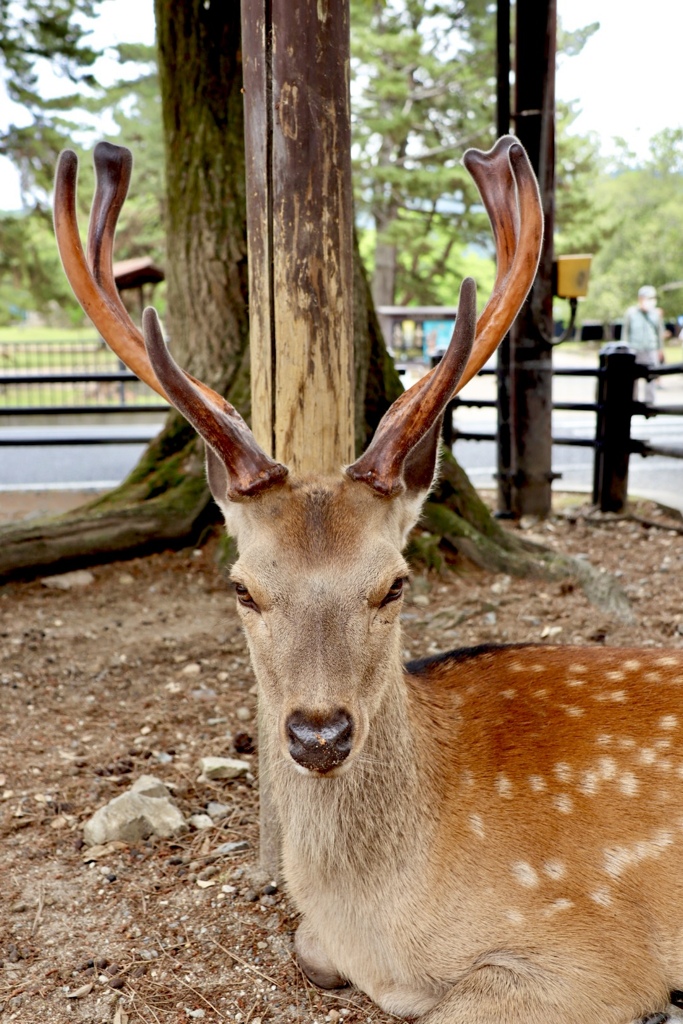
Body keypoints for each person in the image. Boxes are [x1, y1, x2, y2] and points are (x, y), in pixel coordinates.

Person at [622, 285, 664, 404]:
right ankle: (632, 401)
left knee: (651, 376)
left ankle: (649, 403)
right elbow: (625, 333)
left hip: (651, 349)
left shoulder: (655, 313)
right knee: (632, 377)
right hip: (634, 349)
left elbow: (659, 332)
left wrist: (660, 349)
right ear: (640, 298)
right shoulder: (631, 313)